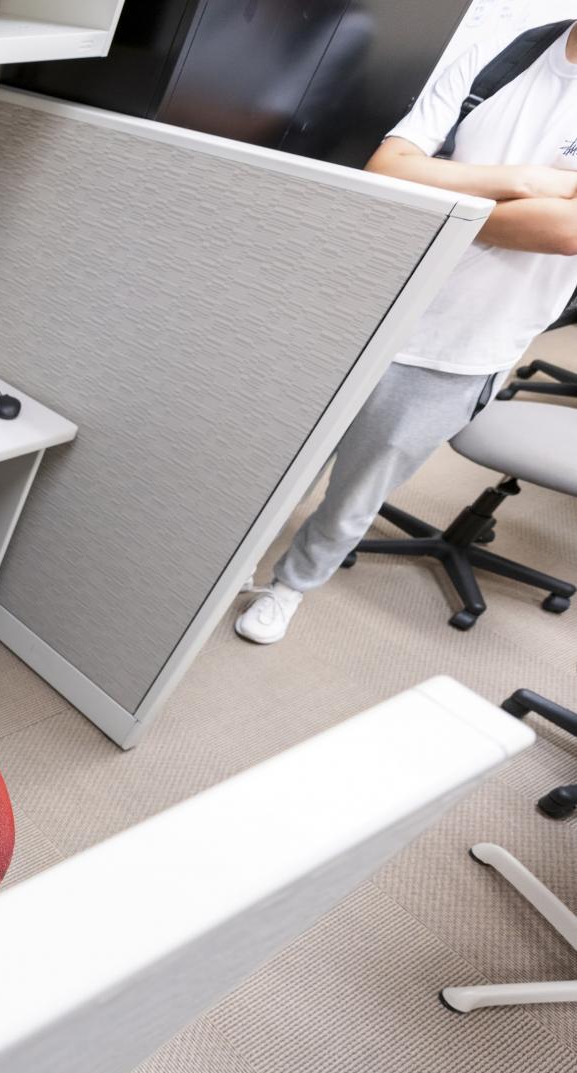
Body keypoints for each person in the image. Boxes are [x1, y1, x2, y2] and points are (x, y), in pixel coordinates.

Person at [238, 19, 577, 645]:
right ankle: (228, 563)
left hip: (464, 342)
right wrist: (531, 183)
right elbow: (389, 166)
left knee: (360, 486)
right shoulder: (501, 51)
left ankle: (291, 586)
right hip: (363, 304)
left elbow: (562, 233)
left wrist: (440, 187)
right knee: (271, 455)